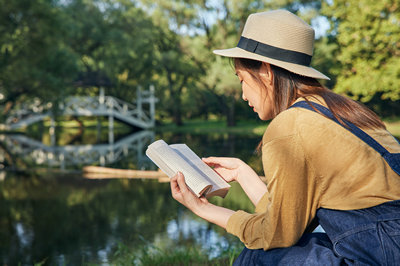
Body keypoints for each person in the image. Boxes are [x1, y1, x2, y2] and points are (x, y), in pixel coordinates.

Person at [170, 9, 400, 265]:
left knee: (257, 257)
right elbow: (287, 221)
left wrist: (204, 208)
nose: (243, 94)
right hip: (386, 244)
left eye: (242, 79)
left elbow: (275, 236)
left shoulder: (290, 126)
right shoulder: (335, 109)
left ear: (266, 72)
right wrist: (243, 173)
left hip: (380, 253)